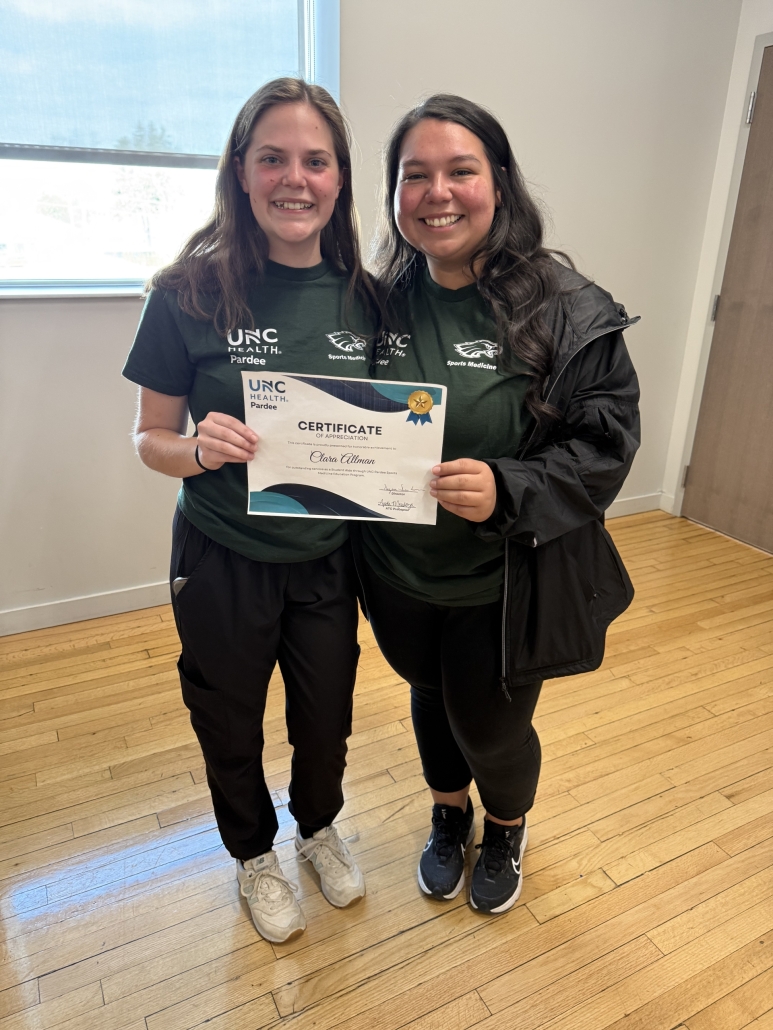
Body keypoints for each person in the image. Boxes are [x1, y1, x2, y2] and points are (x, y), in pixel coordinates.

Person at [357, 94, 640, 914]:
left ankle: (505, 824)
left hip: (503, 580)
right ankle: (448, 815)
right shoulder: (374, 301)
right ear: (394, 192)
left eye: (460, 171)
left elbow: (605, 445)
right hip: (400, 571)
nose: (436, 192)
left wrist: (508, 486)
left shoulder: (566, 305)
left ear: (500, 183)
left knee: (490, 728)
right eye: (415, 175)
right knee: (424, 690)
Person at [123, 78, 382, 943]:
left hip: (324, 557)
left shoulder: (368, 296)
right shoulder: (186, 292)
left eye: (315, 160)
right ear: (241, 171)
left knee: (326, 715)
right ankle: (253, 854)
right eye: (272, 157)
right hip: (221, 553)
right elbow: (150, 437)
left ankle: (316, 829)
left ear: (340, 179)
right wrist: (200, 449)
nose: (293, 178)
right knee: (227, 715)